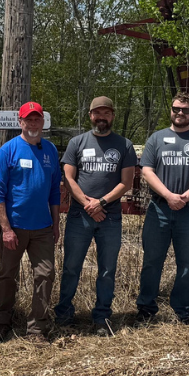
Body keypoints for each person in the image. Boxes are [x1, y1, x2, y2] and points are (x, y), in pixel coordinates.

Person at [56, 96, 138, 335]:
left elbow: (127, 182)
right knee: (71, 267)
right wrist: (87, 204)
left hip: (110, 217)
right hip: (79, 216)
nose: (101, 117)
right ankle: (63, 315)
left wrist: (100, 203)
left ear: (112, 115)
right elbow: (68, 178)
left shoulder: (124, 145)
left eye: (106, 113)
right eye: (96, 113)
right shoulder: (77, 143)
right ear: (90, 115)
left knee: (107, 270)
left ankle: (102, 317)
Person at [135, 93, 189, 324]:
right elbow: (147, 171)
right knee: (152, 260)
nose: (180, 113)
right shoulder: (156, 139)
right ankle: (146, 309)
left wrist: (184, 197)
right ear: (170, 110)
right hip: (159, 209)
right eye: (176, 109)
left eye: (186, 110)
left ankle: (183, 311)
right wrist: (169, 196)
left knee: (187, 263)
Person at [0, 101, 63, 342]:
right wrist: (6, 228)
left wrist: (56, 223)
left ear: (43, 122)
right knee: (6, 275)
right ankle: (1, 322)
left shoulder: (50, 150)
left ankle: (36, 328)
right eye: (28, 119)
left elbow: (55, 191)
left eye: (37, 119)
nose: (33, 123)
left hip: (42, 228)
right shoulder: (8, 150)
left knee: (45, 274)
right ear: (20, 122)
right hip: (14, 228)